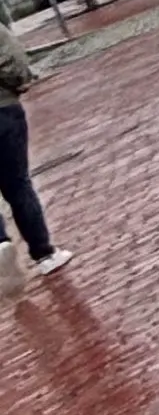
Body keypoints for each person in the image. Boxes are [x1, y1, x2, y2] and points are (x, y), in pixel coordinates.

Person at [0, 18, 69, 280]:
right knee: (18, 185)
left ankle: (0, 244)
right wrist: (19, 81)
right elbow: (13, 57)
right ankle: (44, 255)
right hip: (2, 110)